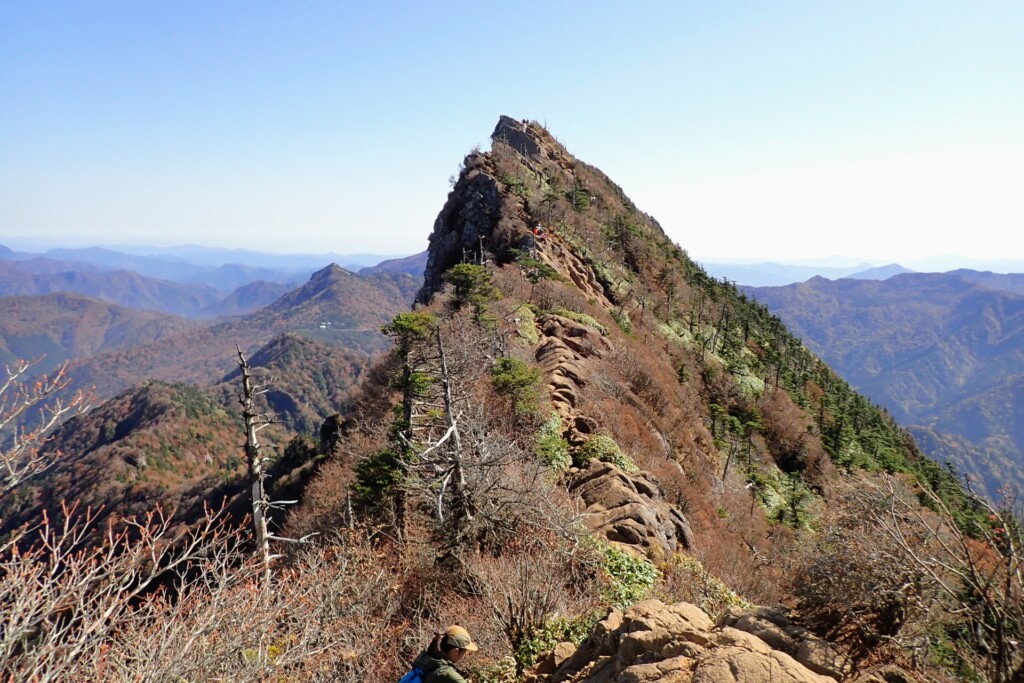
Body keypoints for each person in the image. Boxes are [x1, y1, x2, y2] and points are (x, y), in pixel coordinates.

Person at [409, 625, 478, 683]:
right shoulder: (447, 672)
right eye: (464, 652)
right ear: (455, 651)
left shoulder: (429, 658)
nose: (463, 655)